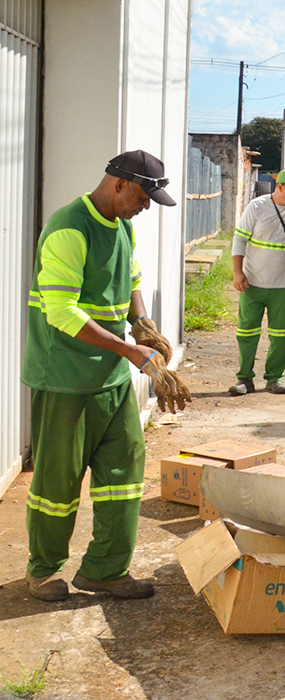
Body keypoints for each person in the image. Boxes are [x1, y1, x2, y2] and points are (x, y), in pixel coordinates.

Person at [23, 150, 189, 601]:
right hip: (65, 379)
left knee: (124, 469)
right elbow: (60, 310)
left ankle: (105, 569)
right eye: (143, 196)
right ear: (118, 185)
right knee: (57, 481)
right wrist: (129, 350)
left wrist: (142, 322)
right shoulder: (68, 229)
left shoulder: (122, 225)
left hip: (110, 379)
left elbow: (132, 277)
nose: (146, 206)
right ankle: (43, 570)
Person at [230, 168, 285, 395]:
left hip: (282, 286)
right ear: (280, 187)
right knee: (246, 333)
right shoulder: (256, 206)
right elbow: (239, 240)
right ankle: (244, 379)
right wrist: (238, 273)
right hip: (252, 284)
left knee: (280, 336)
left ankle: (274, 378)